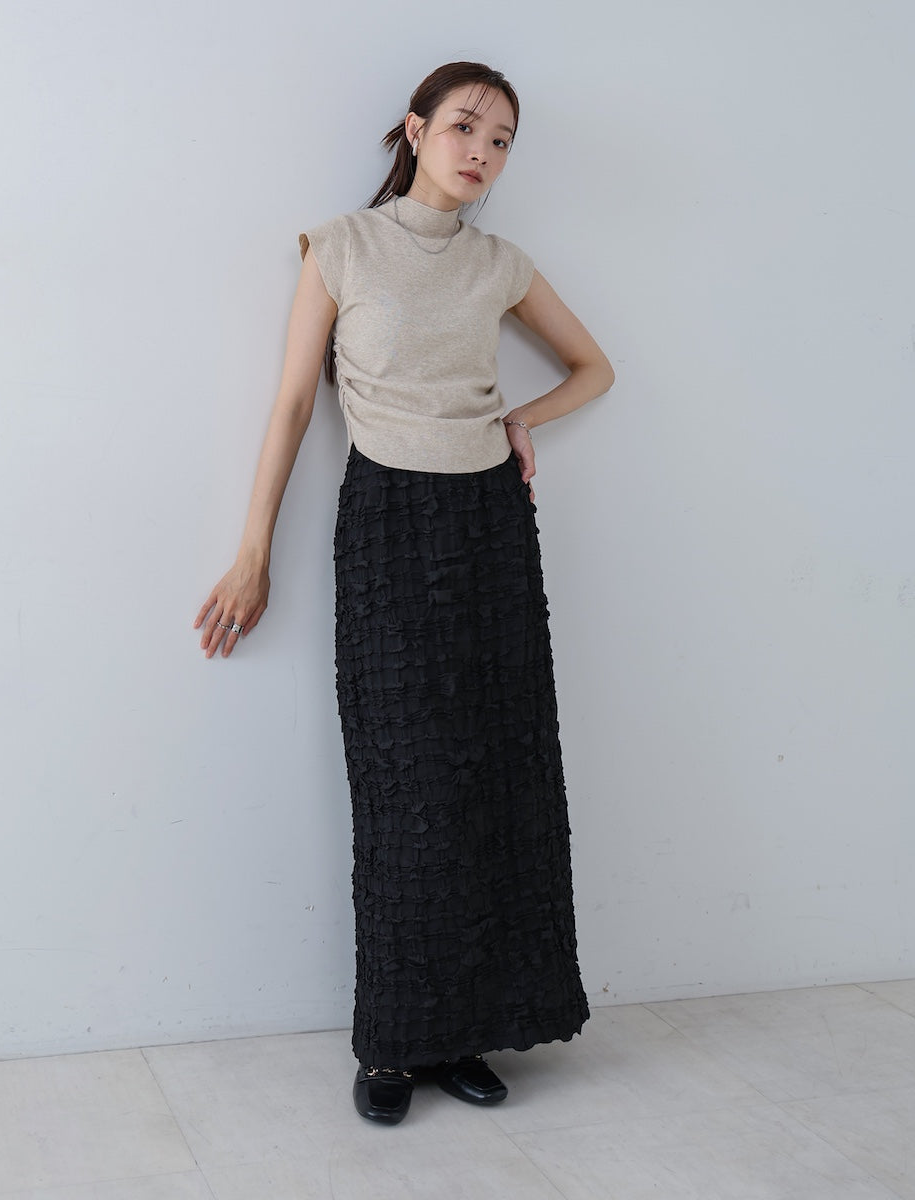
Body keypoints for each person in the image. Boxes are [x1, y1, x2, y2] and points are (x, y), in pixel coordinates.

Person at [194, 61, 615, 1125]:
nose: (482, 151)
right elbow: (294, 406)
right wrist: (253, 551)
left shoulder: (500, 264)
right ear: (416, 130)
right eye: (466, 126)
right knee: (404, 788)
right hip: (387, 522)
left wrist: (522, 420)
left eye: (502, 140)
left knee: (497, 779)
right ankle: (391, 1045)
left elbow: (595, 368)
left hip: (489, 527)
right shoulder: (340, 246)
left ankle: (466, 1031)